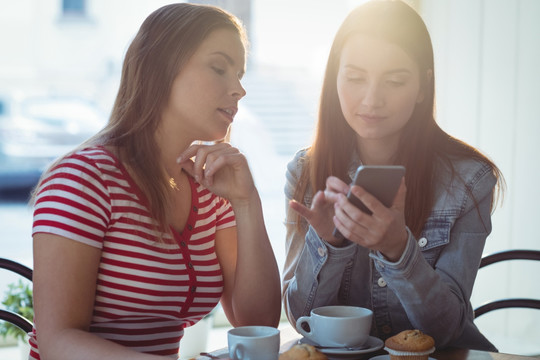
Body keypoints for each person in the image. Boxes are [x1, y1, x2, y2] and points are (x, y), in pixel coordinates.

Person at [29, 3, 281, 359]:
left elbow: (258, 324)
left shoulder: (211, 188)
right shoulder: (83, 179)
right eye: (219, 68)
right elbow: (58, 342)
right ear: (161, 68)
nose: (239, 89)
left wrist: (246, 202)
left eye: (239, 73)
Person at [282, 0, 503, 352]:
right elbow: (301, 319)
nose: (372, 100)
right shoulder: (307, 173)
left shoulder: (468, 180)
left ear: (421, 87)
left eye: (395, 81)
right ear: (334, 79)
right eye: (355, 78)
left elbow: (446, 331)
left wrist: (398, 249)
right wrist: (327, 244)